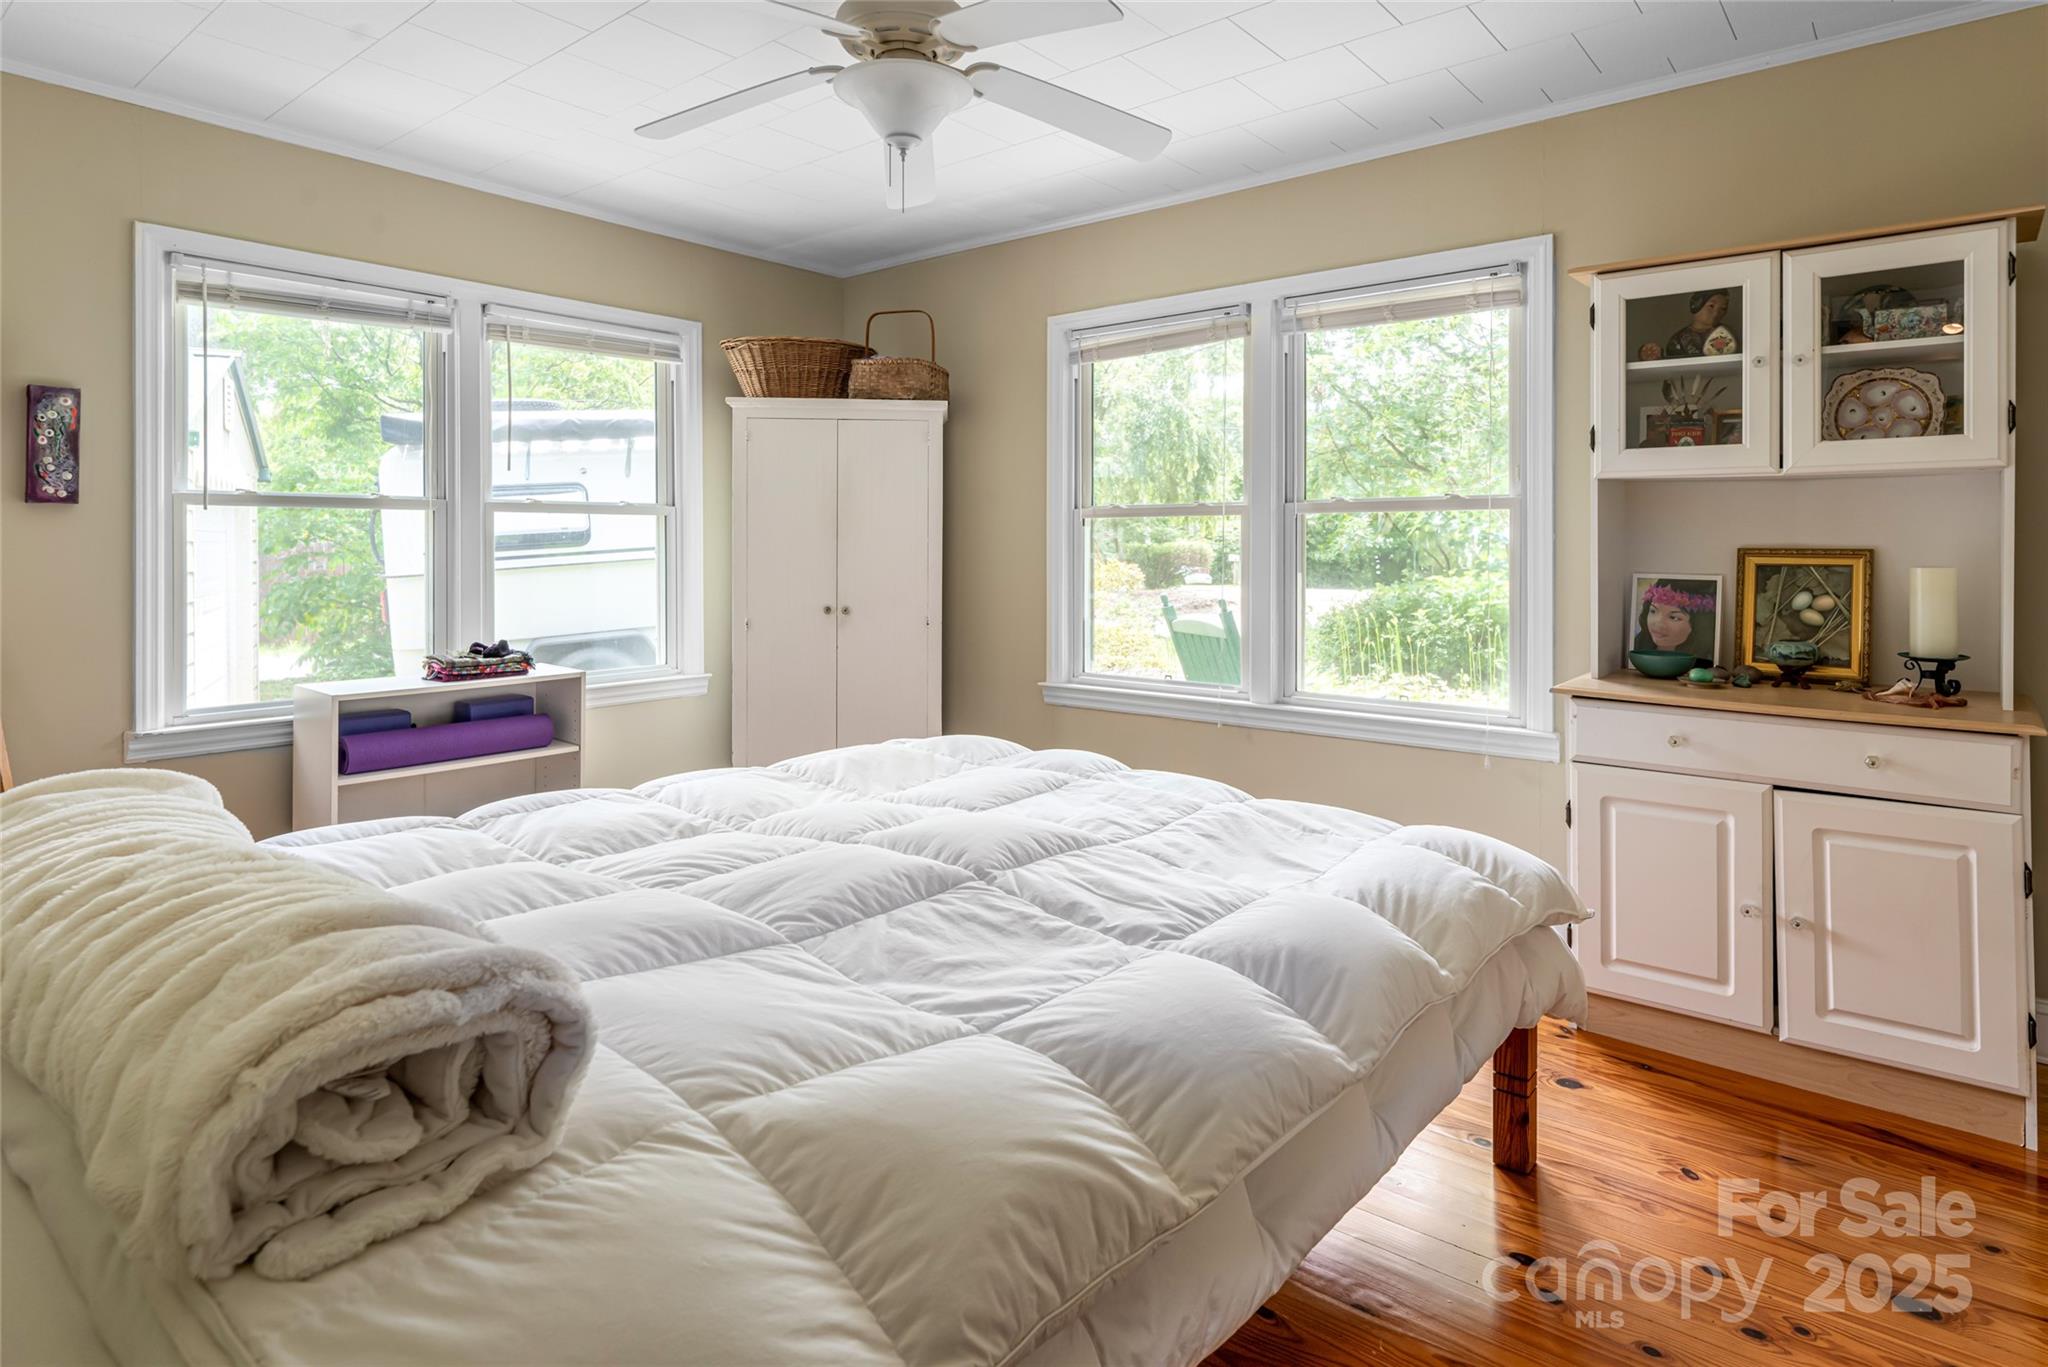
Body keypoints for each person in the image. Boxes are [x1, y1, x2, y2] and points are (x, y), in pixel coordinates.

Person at [1635, 580, 1716, 661]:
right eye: (1653, 611)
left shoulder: (1706, 663)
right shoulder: (1637, 646)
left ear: (1699, 624)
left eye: (1674, 617)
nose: (1659, 623)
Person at [1665, 290, 1730, 358]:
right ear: (1696, 305)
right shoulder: (1678, 339)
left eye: (1723, 308)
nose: (1716, 313)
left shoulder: (1727, 334)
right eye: (1711, 306)